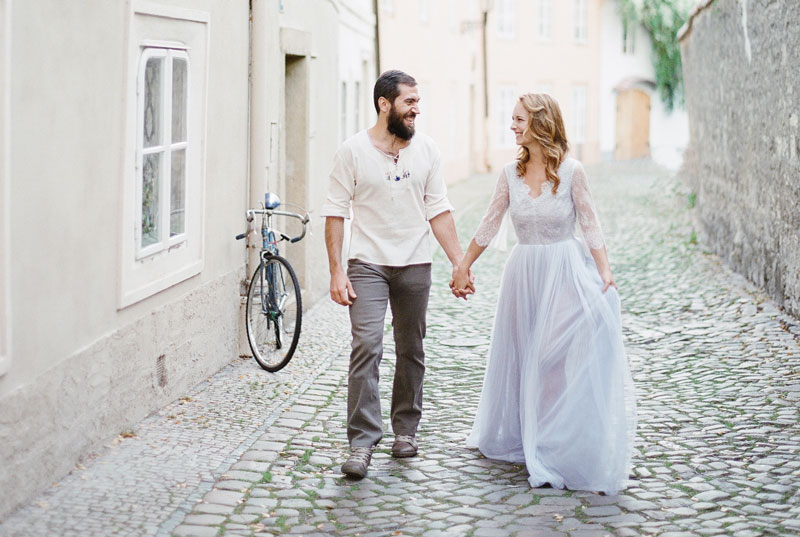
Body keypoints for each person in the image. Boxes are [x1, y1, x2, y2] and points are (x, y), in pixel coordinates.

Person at [451, 93, 637, 495]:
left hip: (564, 270)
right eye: (512, 119)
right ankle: (529, 434)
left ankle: (552, 442)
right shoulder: (508, 173)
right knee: (523, 356)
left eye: (518, 119)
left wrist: (604, 271)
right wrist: (464, 265)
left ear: (540, 122)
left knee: (550, 357)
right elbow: (488, 224)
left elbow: (590, 224)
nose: (512, 126)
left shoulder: (572, 172)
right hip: (524, 274)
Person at [322, 70, 472, 479]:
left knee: (411, 348)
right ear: (384, 104)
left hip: (414, 263)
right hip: (367, 263)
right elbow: (335, 212)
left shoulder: (426, 150)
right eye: (409, 102)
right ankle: (362, 443)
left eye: (418, 102)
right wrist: (337, 271)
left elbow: (438, 209)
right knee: (366, 346)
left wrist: (459, 263)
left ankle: (405, 431)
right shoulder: (352, 151)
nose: (416, 110)